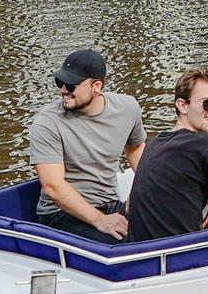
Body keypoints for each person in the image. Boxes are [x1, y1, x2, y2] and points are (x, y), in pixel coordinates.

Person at [28, 48, 149, 239]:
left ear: (97, 86)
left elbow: (135, 150)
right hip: (61, 214)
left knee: (168, 227)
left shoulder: (127, 108)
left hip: (110, 204)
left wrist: (143, 193)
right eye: (59, 82)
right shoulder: (47, 123)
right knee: (125, 246)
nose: (63, 90)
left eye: (71, 85)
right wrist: (100, 220)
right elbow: (53, 186)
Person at [127, 67, 208, 241]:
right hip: (182, 252)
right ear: (182, 105)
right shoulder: (205, 146)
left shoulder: (154, 145)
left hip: (142, 251)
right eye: (207, 104)